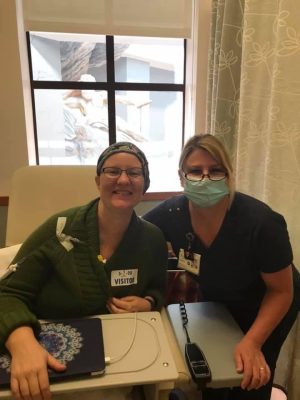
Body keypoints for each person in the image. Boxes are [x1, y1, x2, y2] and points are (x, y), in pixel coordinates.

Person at [0, 141, 168, 400]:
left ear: (144, 185)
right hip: (49, 351)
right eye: (112, 171)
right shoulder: (60, 230)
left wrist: (148, 302)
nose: (123, 179)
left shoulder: (153, 239)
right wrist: (23, 345)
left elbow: (158, 288)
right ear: (97, 180)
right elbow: (6, 294)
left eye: (134, 173)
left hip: (117, 360)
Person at [143, 134, 300, 400]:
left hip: (268, 301)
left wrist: (253, 342)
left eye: (215, 170)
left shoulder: (261, 223)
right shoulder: (170, 215)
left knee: (249, 375)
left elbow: (281, 292)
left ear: (228, 176)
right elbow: (134, 235)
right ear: (182, 177)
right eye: (195, 171)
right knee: (215, 372)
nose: (205, 178)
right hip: (217, 300)